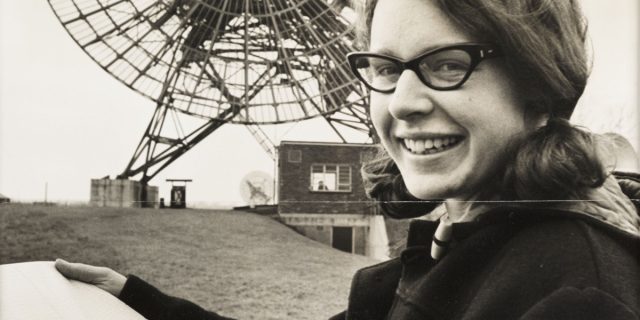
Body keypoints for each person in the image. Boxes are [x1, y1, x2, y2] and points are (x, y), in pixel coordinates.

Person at [56, 0, 640, 319]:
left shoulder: (575, 292)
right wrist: (139, 298)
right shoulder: (452, 239)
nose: (405, 103)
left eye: (446, 64)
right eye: (384, 68)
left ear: (540, 87)